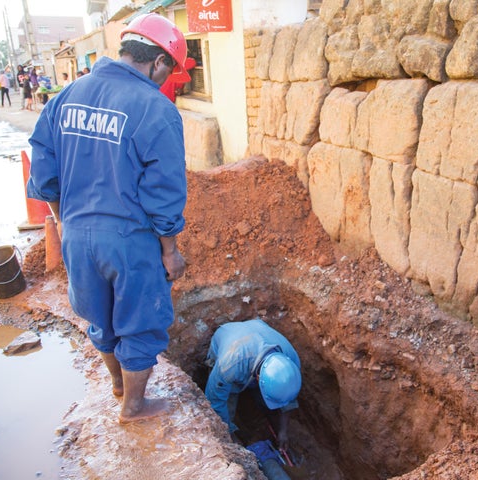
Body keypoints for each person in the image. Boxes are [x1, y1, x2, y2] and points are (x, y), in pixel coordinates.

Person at [26, 13, 190, 424]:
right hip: (129, 239)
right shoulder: (156, 108)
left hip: (76, 232)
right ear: (158, 62)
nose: (167, 79)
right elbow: (165, 191)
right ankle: (134, 407)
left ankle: (118, 386)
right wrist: (170, 250)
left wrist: (67, 225)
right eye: (169, 70)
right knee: (140, 322)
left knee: (99, 317)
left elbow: (44, 174)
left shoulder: (67, 96)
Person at [204, 318, 302, 450]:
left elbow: (288, 397)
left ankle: (264, 414)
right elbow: (215, 401)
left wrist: (283, 432)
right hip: (228, 339)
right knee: (228, 400)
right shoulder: (229, 367)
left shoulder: (291, 361)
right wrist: (230, 437)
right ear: (258, 377)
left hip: (256, 332)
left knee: (268, 401)